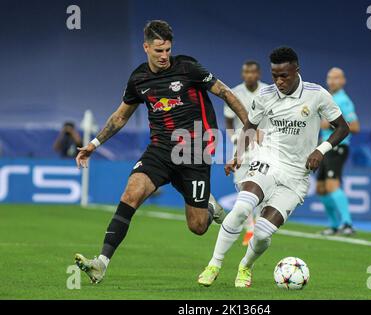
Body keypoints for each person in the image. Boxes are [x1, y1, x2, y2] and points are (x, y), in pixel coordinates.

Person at [74, 20, 248, 284]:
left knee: (198, 226)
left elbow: (224, 92)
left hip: (195, 148)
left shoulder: (188, 68)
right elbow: (120, 117)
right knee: (131, 193)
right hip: (160, 148)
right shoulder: (139, 79)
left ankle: (207, 204)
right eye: (158, 51)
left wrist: (249, 127)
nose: (165, 56)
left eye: (167, 49)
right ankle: (101, 263)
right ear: (146, 47)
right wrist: (94, 144)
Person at [197, 47, 349, 288]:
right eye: (275, 75)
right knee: (241, 208)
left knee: (262, 233)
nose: (279, 81)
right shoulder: (266, 95)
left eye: (284, 76)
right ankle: (214, 264)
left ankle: (245, 266)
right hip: (266, 160)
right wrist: (237, 155)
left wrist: (320, 150)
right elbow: (249, 126)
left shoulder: (316, 94)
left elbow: (343, 127)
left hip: (296, 175)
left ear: (296, 70)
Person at [223, 60, 268, 246]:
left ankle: (256, 226)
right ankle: (250, 228)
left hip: (264, 147)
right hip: (242, 146)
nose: (249, 75)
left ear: (258, 74)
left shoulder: (268, 91)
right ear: (243, 74)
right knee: (243, 188)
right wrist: (234, 138)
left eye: (253, 72)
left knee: (261, 187)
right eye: (246, 72)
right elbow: (228, 119)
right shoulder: (235, 92)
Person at [317, 67, 360, 236]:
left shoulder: (343, 100)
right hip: (325, 147)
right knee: (321, 188)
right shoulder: (329, 98)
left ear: (343, 81)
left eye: (336, 78)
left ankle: (347, 223)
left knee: (332, 184)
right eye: (330, 78)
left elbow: (355, 126)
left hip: (338, 146)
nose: (332, 81)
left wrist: (331, 123)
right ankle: (334, 225)